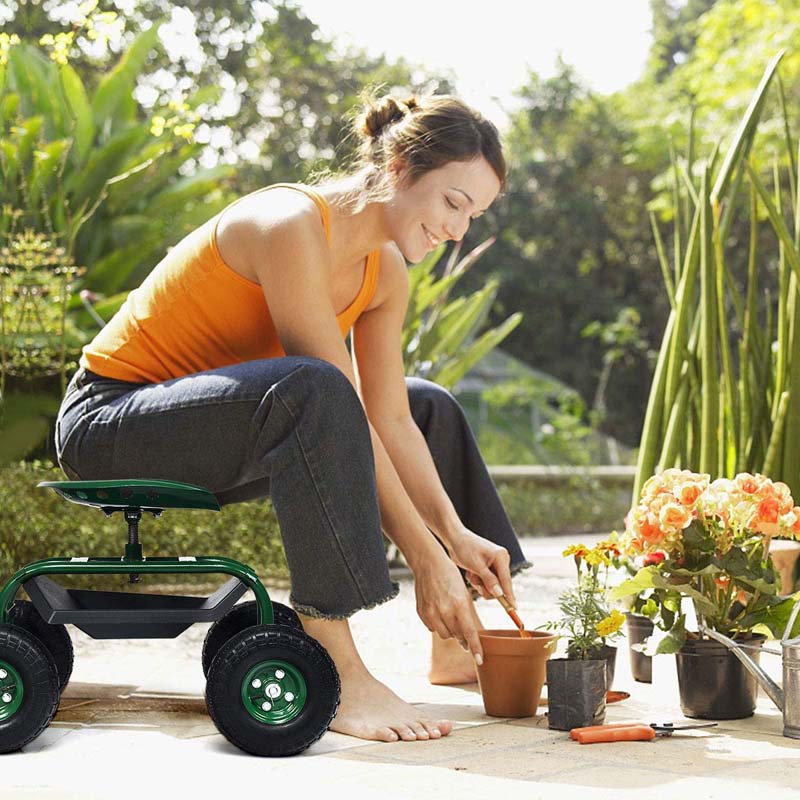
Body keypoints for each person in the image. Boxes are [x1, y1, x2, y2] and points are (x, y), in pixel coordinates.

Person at [54, 89, 532, 744]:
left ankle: (460, 640)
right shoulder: (288, 225)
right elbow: (332, 397)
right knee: (317, 387)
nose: (458, 229)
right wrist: (424, 558)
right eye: (453, 203)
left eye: (473, 214)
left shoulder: (385, 272)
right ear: (398, 169)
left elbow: (390, 421)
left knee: (427, 407)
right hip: (111, 421)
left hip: (229, 431)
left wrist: (451, 538)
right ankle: (344, 672)